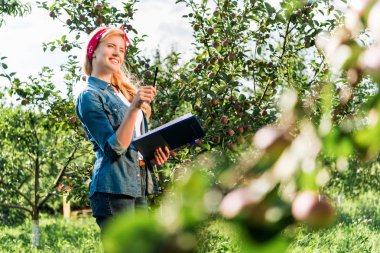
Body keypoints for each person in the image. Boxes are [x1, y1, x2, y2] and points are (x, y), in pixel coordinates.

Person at [75, 26, 170, 233]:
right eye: (111, 46)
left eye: (122, 50)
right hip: (113, 188)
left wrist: (151, 157)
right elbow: (114, 148)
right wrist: (135, 107)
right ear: (93, 52)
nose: (118, 53)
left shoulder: (124, 94)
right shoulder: (89, 96)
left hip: (137, 186)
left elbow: (133, 147)